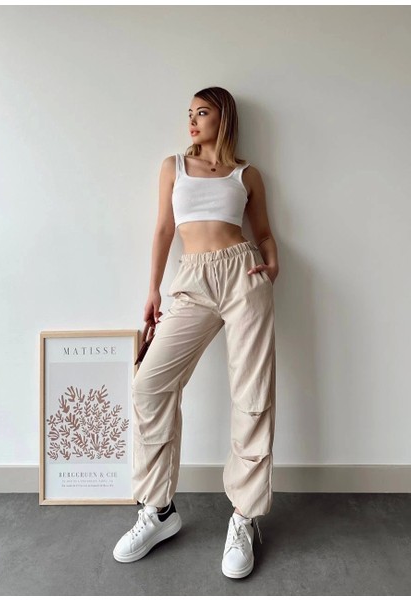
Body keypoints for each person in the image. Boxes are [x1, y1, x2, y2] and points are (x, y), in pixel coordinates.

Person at [113, 86, 279, 579]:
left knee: (252, 394)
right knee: (149, 384)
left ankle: (245, 516)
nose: (192, 120)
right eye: (189, 113)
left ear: (223, 118)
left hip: (244, 275)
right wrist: (152, 290)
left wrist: (272, 264)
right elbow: (164, 230)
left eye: (202, 112)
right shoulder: (173, 167)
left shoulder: (247, 174)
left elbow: (264, 232)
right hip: (192, 280)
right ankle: (159, 509)